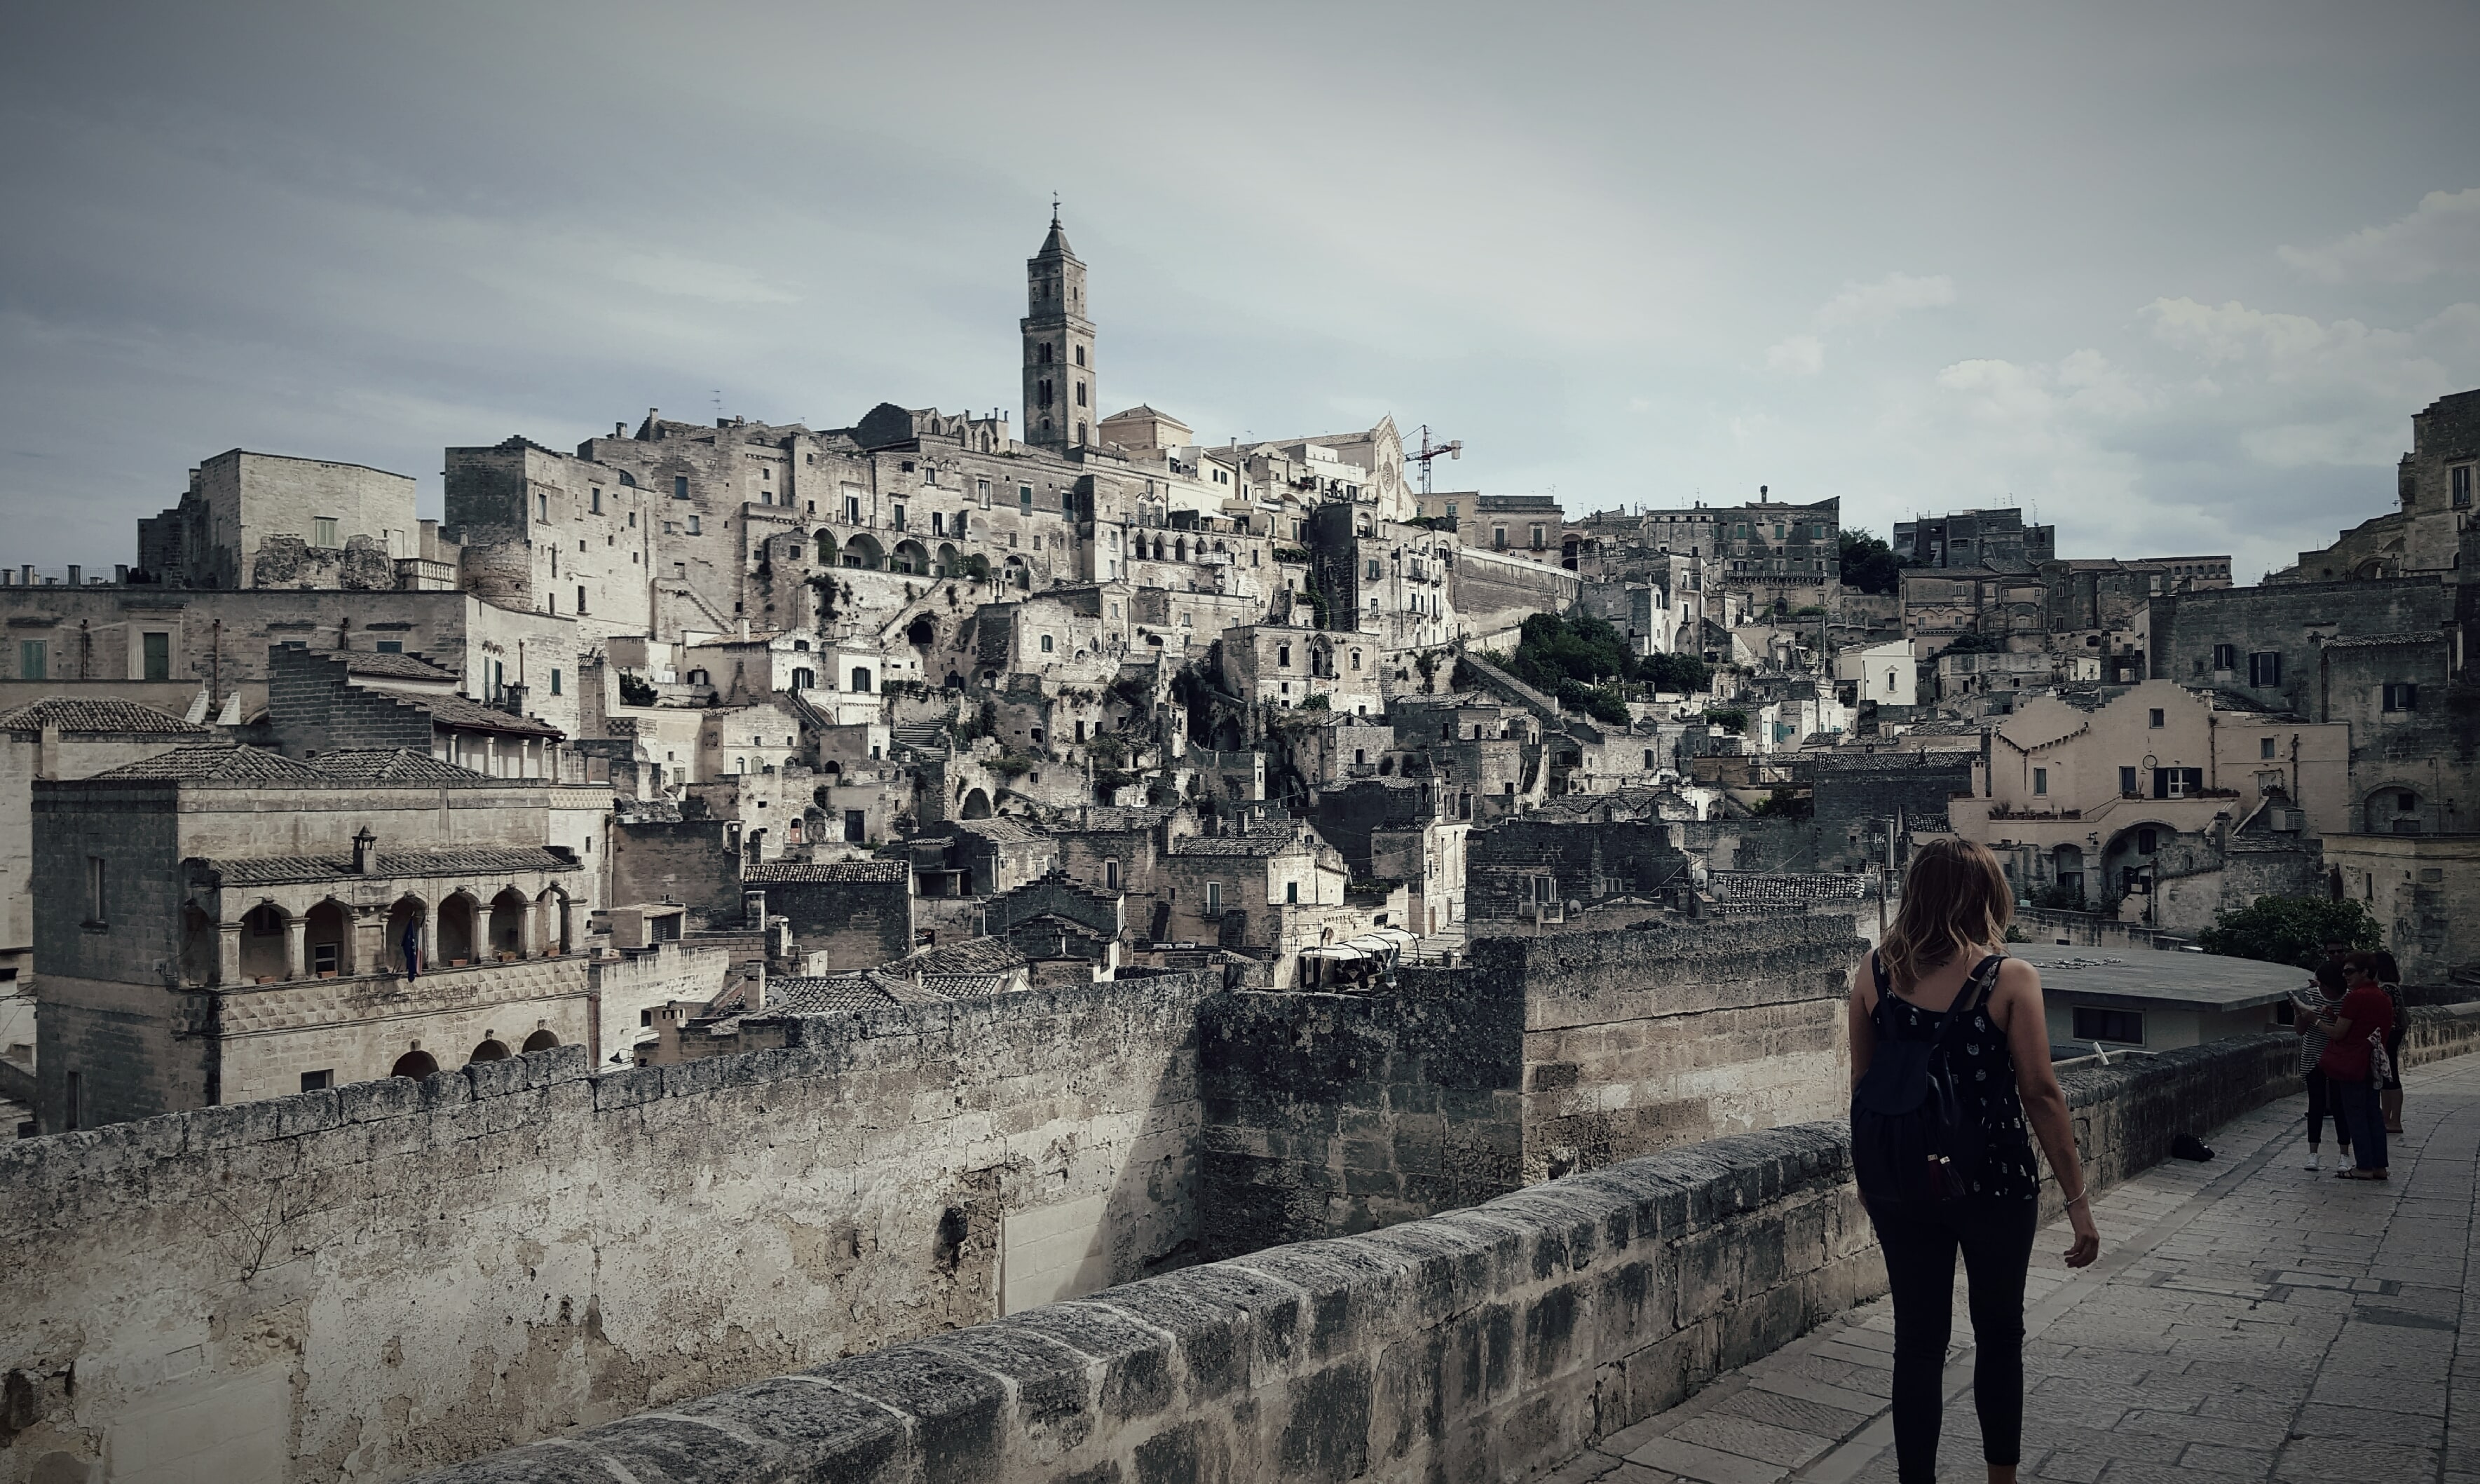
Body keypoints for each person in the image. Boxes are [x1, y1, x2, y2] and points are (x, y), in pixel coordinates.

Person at [1850, 838, 2101, 1484]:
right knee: (1998, 1335)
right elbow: (2041, 1093)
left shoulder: (1872, 973)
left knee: (1918, 1342)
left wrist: (1874, 1181)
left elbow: (1863, 1088)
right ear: (1985, 895)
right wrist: (2077, 1201)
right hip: (1994, 1176)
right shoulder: (2008, 977)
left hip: (1904, 1178)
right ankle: (2001, 1480)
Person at [2314, 951, 2394, 1180]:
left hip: (2353, 1063)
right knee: (2373, 1114)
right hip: (2373, 1062)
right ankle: (2379, 1165)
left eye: (2349, 971)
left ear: (2365, 973)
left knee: (2356, 1114)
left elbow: (2339, 1033)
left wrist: (2316, 1020)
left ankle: (2364, 1166)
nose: (2345, 976)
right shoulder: (2383, 997)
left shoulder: (2356, 997)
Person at [2292, 962, 2352, 1171]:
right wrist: (2300, 1013)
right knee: (2316, 1105)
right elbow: (2300, 1030)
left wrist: (2318, 1018)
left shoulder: (2349, 998)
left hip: (2338, 1057)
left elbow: (2344, 1032)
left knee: (2340, 1106)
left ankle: (2344, 1154)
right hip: (2313, 1056)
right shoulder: (2311, 995)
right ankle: (2313, 1153)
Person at [2372, 949, 2407, 1135]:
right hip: (2393, 1034)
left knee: (2391, 1076)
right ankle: (2387, 1118)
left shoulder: (2387, 989)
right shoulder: (2392, 987)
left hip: (2389, 1035)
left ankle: (2394, 1120)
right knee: (2388, 1077)